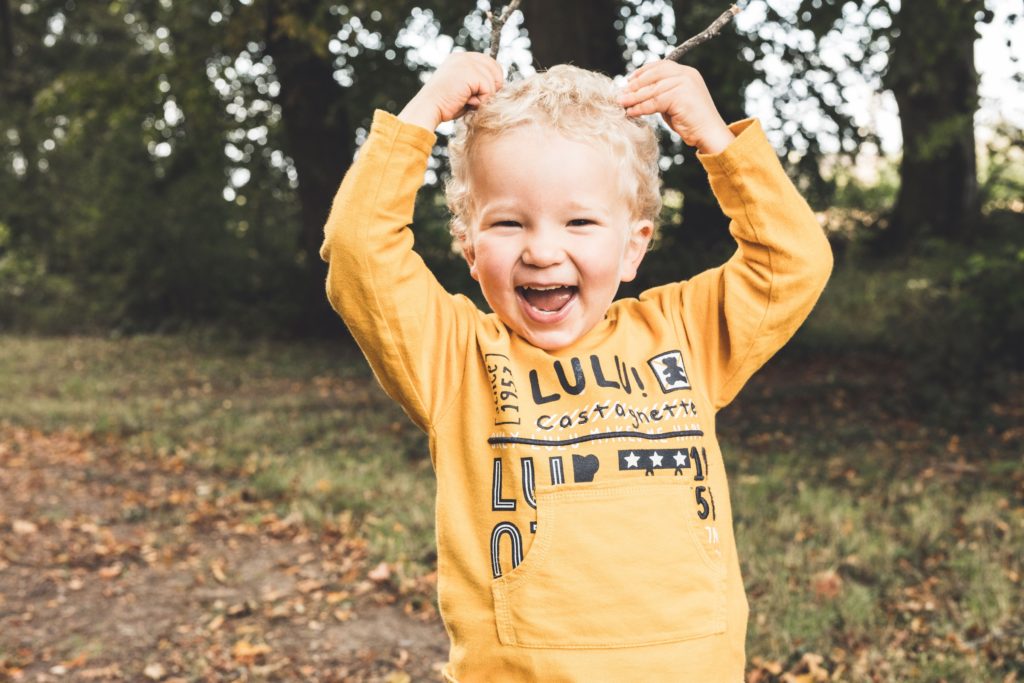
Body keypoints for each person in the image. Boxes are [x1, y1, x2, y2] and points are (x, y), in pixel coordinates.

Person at [320, 51, 832, 682]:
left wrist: (718, 142)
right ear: (469, 248)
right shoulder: (453, 357)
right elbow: (358, 250)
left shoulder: (684, 334)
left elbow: (792, 261)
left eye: (580, 221)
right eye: (508, 222)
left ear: (632, 246)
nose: (541, 250)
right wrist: (425, 111)